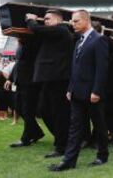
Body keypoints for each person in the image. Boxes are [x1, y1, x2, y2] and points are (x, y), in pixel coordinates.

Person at [49, 10, 109, 172]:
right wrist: (70, 89)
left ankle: (103, 155)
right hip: (77, 93)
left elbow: (102, 69)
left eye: (76, 21)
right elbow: (75, 68)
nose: (72, 24)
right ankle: (69, 161)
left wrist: (96, 91)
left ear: (86, 20)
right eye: (72, 22)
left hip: (92, 94)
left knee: (99, 125)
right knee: (75, 127)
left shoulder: (99, 40)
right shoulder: (78, 41)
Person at [26, 9, 73, 158]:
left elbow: (35, 28)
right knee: (44, 110)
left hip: (59, 79)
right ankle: (64, 139)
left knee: (59, 114)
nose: (44, 21)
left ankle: (62, 146)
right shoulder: (53, 33)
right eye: (44, 19)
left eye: (47, 19)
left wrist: (30, 19)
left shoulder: (61, 30)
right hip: (50, 78)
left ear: (58, 20)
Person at [6, 37, 45, 148]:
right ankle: (37, 132)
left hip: (30, 83)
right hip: (20, 82)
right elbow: (17, 64)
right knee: (18, 108)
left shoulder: (33, 44)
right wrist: (10, 78)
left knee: (27, 111)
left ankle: (26, 139)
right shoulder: (20, 46)